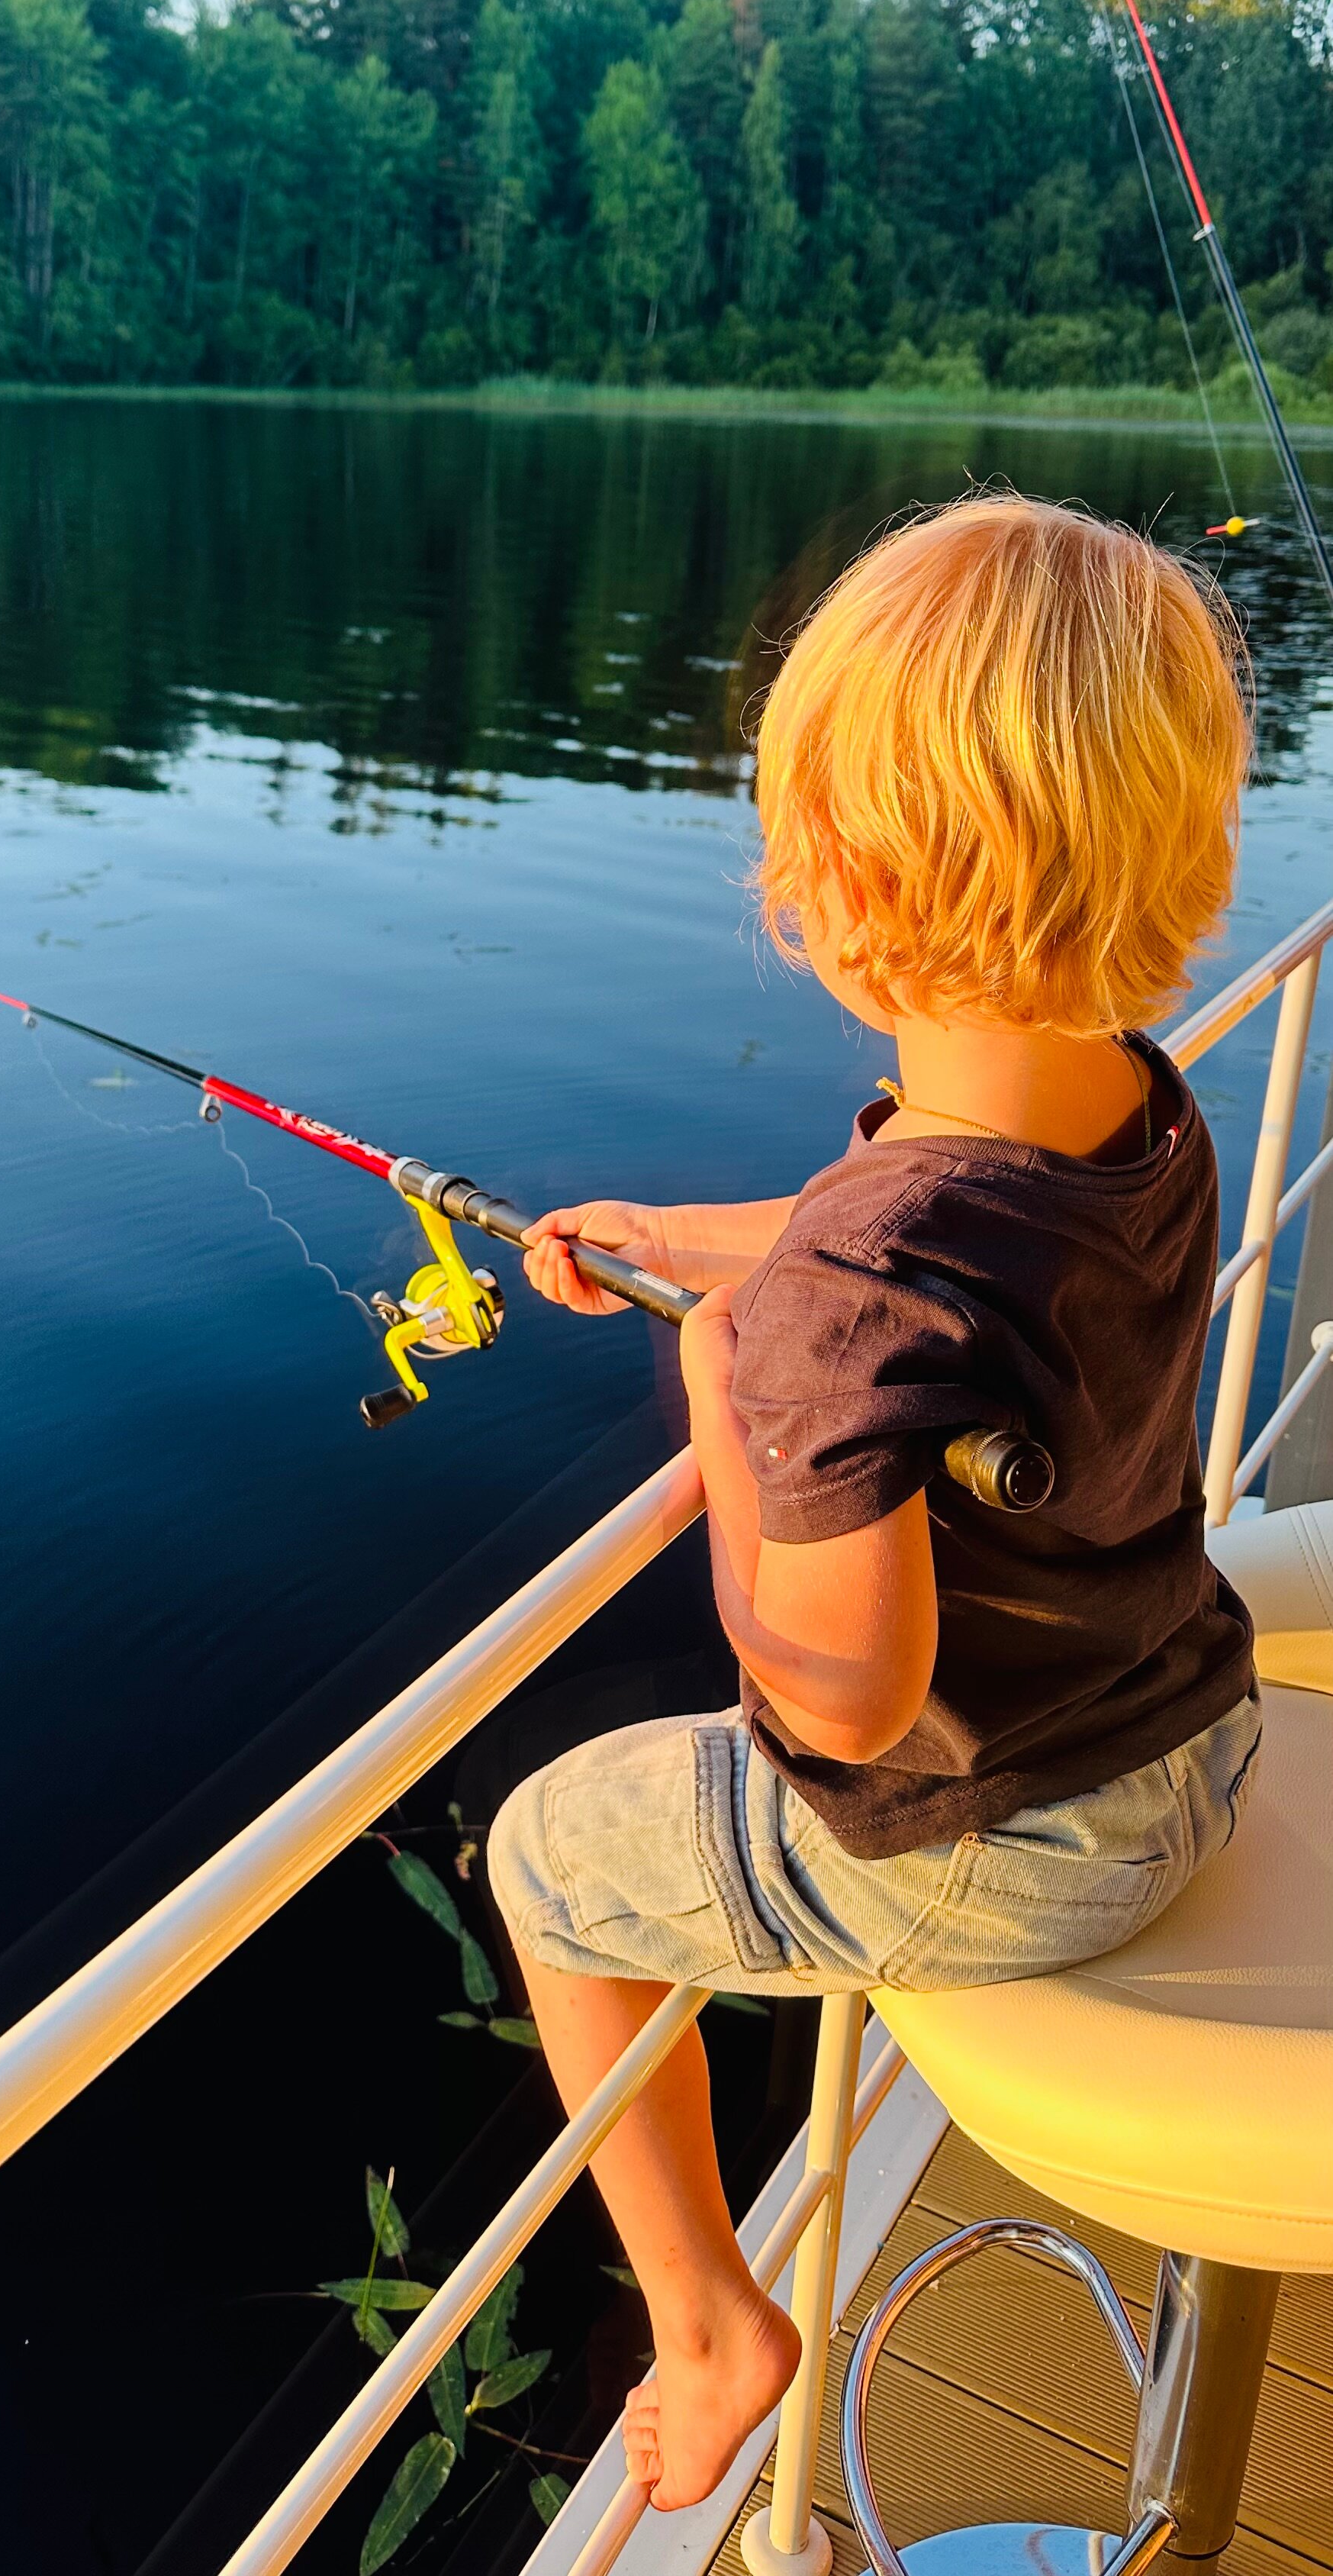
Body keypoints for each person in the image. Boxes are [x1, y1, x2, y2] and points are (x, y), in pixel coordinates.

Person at [489, 495, 1263, 2513]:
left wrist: (722, 1398)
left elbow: (836, 1700)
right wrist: (684, 1236)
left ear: (832, 881)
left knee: (548, 1862)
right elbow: (904, 1241)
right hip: (1189, 1734)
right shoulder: (1131, 1109)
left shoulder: (839, 1304)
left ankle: (708, 2313)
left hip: (1008, 1845)